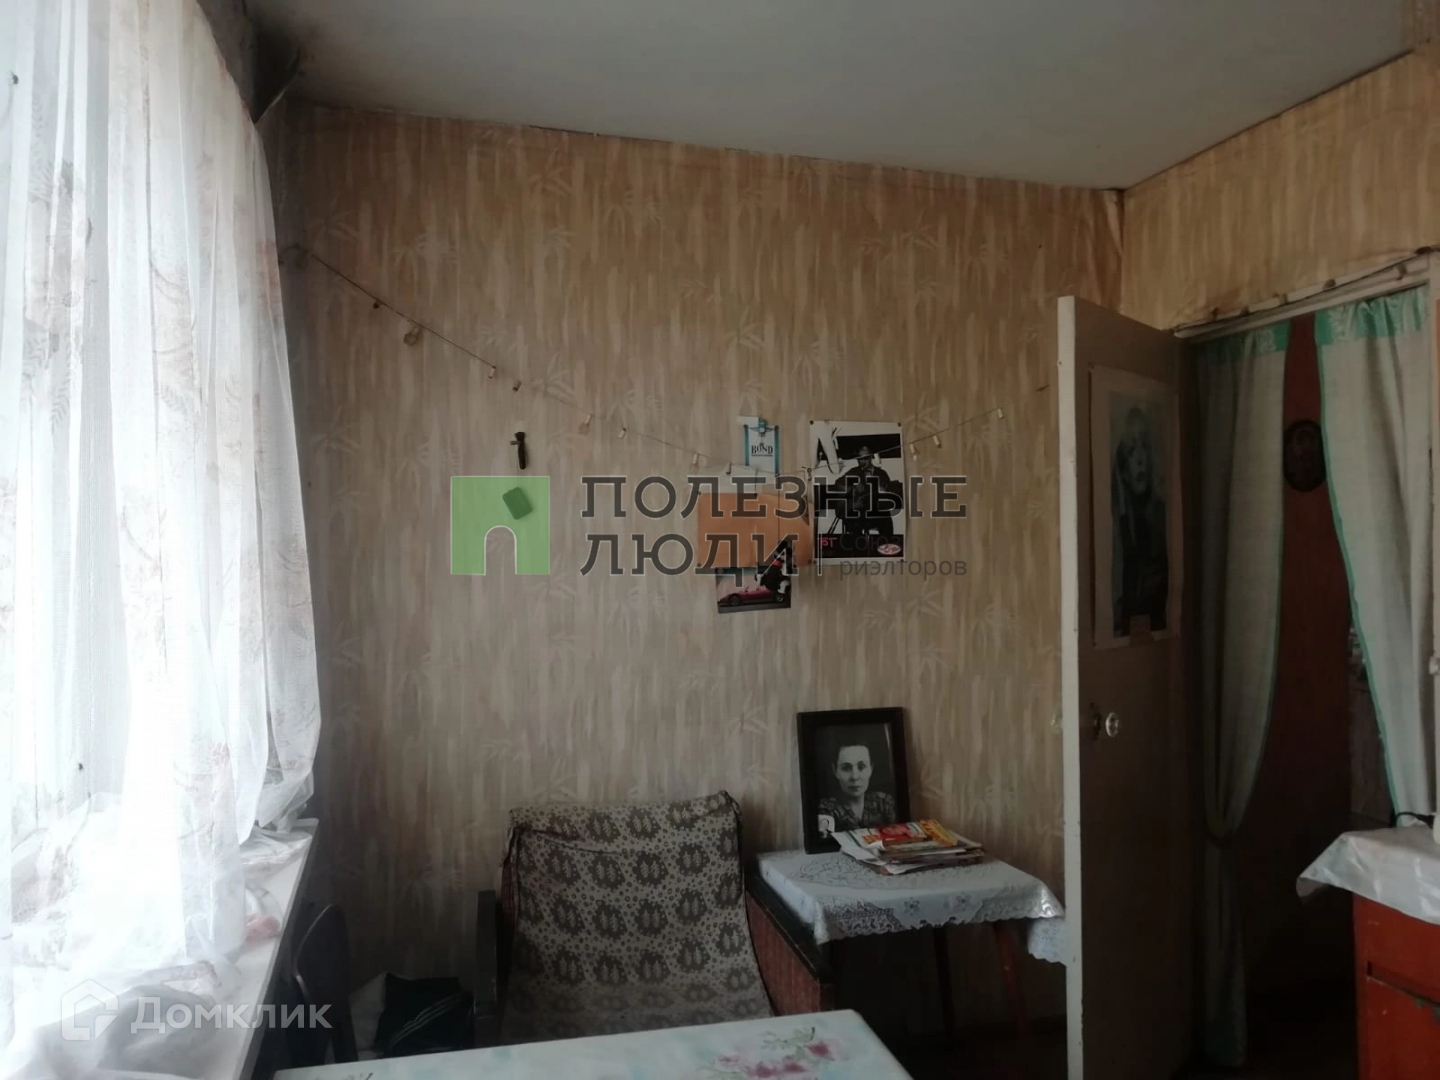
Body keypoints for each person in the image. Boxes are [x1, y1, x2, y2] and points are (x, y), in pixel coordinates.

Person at [1112, 406, 1168, 635]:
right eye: (1132, 451)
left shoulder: (1161, 514)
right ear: (1124, 471)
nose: (1140, 459)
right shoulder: (1123, 523)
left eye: (1144, 446)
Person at [817, 739, 896, 836]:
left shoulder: (884, 802)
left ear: (871, 768)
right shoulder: (826, 810)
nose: (854, 777)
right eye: (846, 768)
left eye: (861, 767)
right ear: (835, 771)